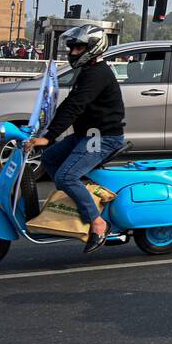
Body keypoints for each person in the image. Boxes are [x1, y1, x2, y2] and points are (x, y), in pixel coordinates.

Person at [23, 25, 126, 254]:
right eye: (73, 48)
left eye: (79, 48)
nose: (74, 52)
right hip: (87, 135)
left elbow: (75, 107)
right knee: (50, 159)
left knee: (66, 176)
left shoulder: (97, 74)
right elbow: (69, 105)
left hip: (103, 137)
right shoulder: (88, 71)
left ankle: (98, 224)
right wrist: (43, 129)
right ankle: (86, 197)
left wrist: (49, 137)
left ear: (93, 48)